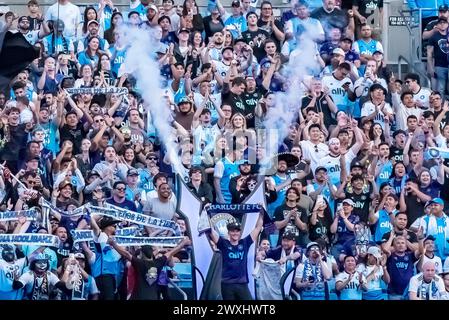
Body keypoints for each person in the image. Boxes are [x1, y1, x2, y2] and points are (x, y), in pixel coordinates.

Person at [208, 211, 264, 300]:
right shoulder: (223, 243)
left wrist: (261, 213)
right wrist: (207, 212)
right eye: (232, 231)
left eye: (237, 231)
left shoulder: (245, 242)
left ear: (240, 232)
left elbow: (258, 228)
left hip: (242, 284)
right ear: (228, 232)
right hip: (227, 284)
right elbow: (211, 231)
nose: (235, 233)